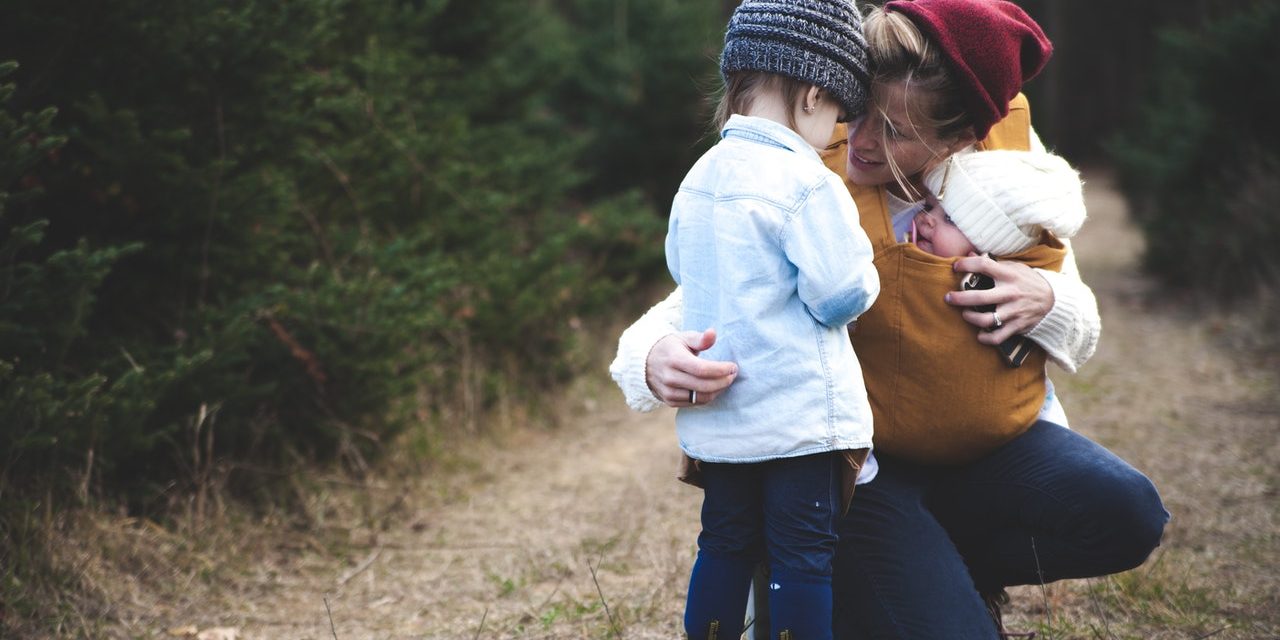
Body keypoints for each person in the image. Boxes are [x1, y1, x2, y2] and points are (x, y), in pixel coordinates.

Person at [609, 0, 1169, 638]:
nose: (865, 142)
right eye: (860, 113)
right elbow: (708, 289)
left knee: (1128, 512)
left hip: (983, 453)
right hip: (859, 469)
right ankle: (868, 571)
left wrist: (1048, 300)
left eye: (898, 132)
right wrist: (650, 357)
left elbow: (1082, 318)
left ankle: (941, 567)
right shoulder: (806, 166)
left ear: (960, 138)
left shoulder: (1006, 175)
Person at [665, 2, 878, 639]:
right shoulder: (804, 182)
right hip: (798, 419)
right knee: (802, 556)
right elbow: (841, 294)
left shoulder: (698, 178)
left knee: (724, 543)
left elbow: (683, 268)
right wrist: (865, 271)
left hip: (722, 417)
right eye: (839, 111)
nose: (837, 129)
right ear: (814, 95)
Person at [852, 149, 1088, 465]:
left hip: (1013, 433)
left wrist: (1051, 300)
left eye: (949, 218)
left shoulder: (1010, 277)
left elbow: (1079, 338)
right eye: (929, 206)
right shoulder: (887, 245)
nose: (925, 219)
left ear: (986, 249)